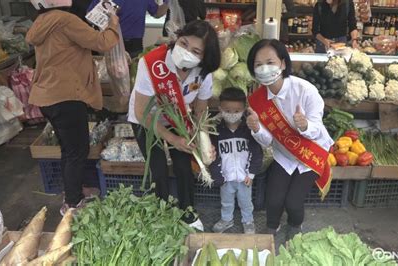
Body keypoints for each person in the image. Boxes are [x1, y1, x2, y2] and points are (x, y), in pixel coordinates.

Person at [26, 0, 119, 215]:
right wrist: (113, 23)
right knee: (77, 150)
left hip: (49, 95)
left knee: (69, 149)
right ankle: (73, 204)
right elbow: (101, 42)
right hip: (65, 96)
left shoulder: (43, 20)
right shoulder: (65, 20)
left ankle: (73, 191)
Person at [127, 20, 221, 230]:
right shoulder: (151, 63)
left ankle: (188, 212)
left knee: (184, 165)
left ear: (204, 57)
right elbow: (141, 112)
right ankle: (161, 214)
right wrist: (172, 140)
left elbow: (200, 111)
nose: (186, 51)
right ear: (176, 38)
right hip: (146, 119)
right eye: (184, 43)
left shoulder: (203, 72)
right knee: (158, 169)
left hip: (177, 117)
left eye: (196, 50)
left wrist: (202, 139)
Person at [246, 39, 334, 240]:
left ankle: (295, 226)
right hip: (284, 154)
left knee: (293, 202)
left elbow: (318, 131)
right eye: (258, 65)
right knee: (273, 199)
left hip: (310, 152)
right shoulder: (257, 100)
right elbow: (267, 141)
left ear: (283, 63)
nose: (265, 69)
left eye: (270, 62)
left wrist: (303, 125)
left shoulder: (306, 90)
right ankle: (271, 229)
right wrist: (257, 128)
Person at [209, 87, 263, 234]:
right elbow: (212, 156)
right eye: (227, 110)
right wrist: (217, 176)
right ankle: (227, 220)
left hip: (244, 178)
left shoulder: (248, 131)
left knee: (246, 202)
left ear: (244, 109)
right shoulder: (215, 132)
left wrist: (251, 174)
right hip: (226, 178)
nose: (232, 114)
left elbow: (257, 154)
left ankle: (248, 221)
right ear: (220, 108)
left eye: (236, 111)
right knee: (226, 202)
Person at [87, 0, 169, 58]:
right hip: (113, 44)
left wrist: (168, 2)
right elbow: (89, 18)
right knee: (111, 77)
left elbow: (157, 13)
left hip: (136, 44)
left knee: (134, 76)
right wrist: (104, 12)